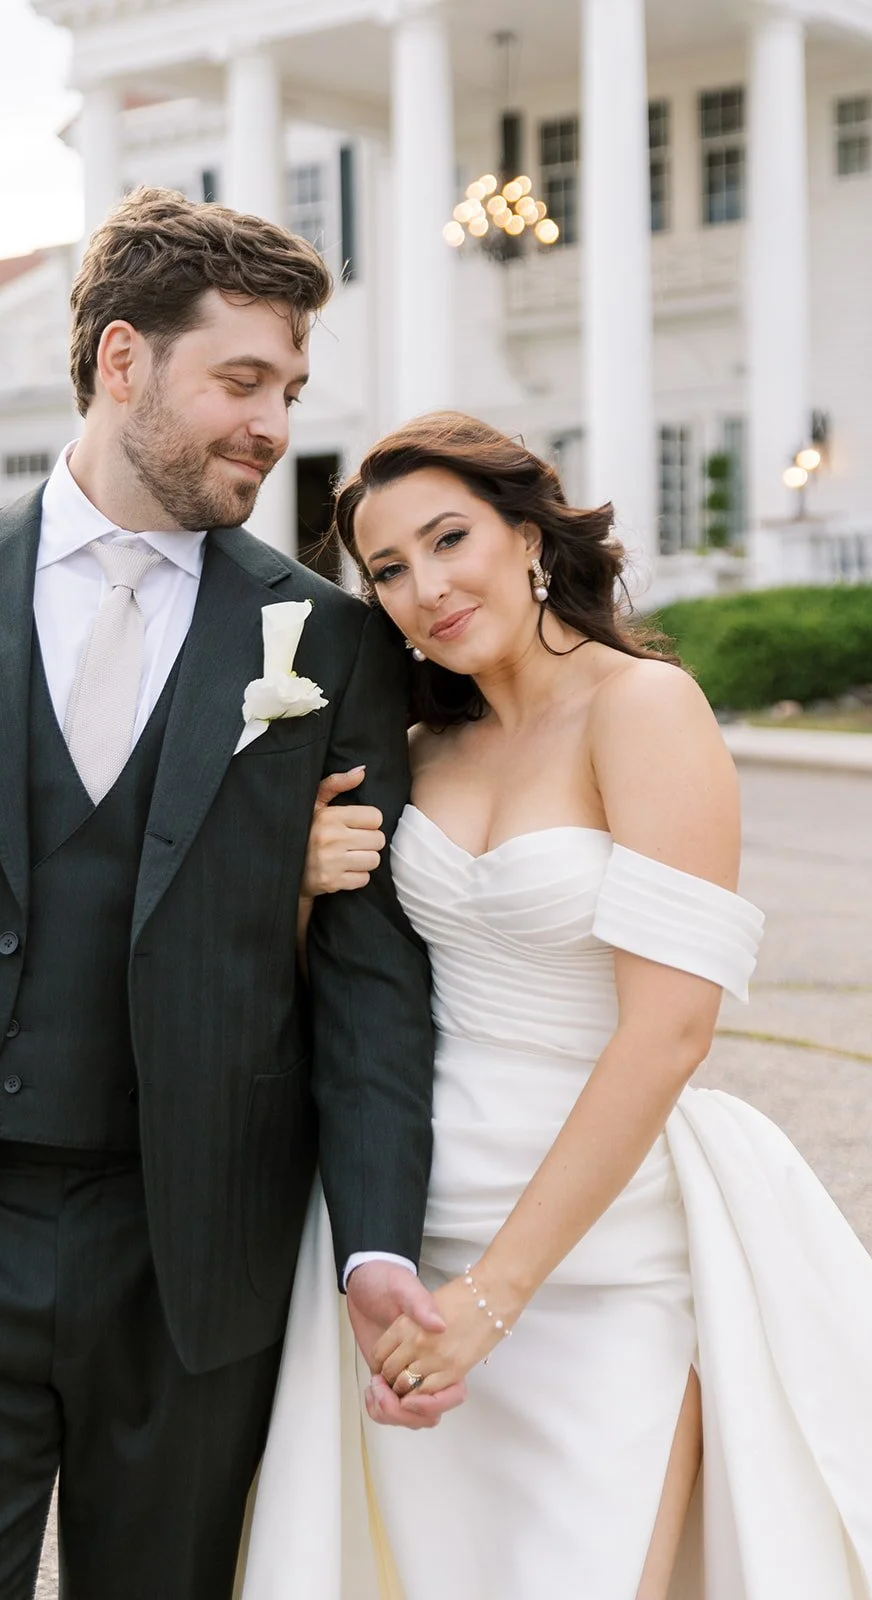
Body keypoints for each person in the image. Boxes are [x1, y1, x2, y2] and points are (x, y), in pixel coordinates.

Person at [0, 189, 446, 1600]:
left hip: (195, 1255)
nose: (274, 422)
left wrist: (376, 1235)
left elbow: (374, 975)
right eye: (241, 380)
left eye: (291, 389)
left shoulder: (323, 638)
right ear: (123, 362)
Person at [239, 412, 872, 1599]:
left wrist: (493, 1300)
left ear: (528, 536)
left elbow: (669, 1029)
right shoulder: (419, 749)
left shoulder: (646, 709)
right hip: (416, 1224)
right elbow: (356, 995)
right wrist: (299, 889)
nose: (425, 588)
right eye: (388, 569)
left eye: (448, 539)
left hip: (604, 1243)